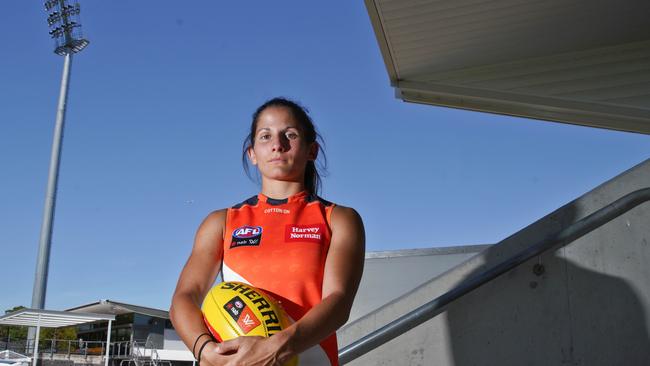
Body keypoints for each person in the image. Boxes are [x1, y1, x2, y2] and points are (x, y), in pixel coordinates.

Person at [170, 97, 365, 366]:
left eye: (291, 134)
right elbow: (185, 296)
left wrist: (278, 348)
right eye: (265, 136)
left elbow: (339, 300)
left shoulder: (339, 219)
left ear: (312, 150)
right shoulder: (222, 222)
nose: (277, 144)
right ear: (252, 154)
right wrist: (203, 349)